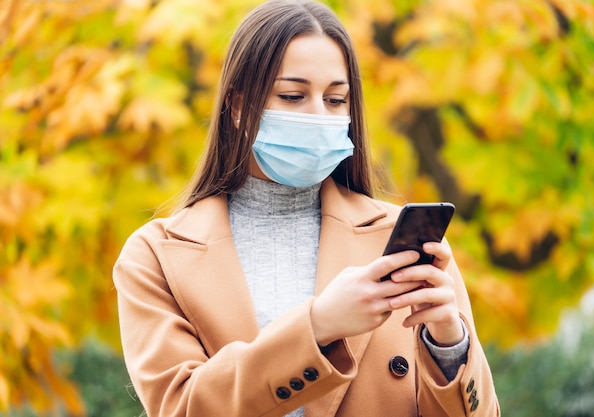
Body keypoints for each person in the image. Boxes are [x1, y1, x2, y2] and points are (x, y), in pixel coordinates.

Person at [112, 1, 500, 416]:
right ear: (240, 106)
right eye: (293, 96)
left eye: (335, 101)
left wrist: (449, 343)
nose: (318, 116)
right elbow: (182, 407)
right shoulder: (156, 257)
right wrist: (318, 327)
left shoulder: (396, 237)